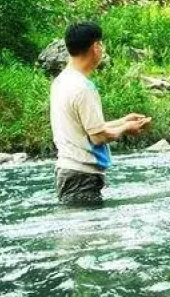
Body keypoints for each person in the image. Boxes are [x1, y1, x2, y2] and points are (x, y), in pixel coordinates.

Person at [51, 22, 151, 206]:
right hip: (82, 176)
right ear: (95, 47)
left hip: (68, 172)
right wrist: (126, 128)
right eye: (101, 44)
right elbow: (98, 137)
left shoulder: (61, 81)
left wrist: (123, 121)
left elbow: (86, 128)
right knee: (86, 224)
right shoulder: (83, 88)